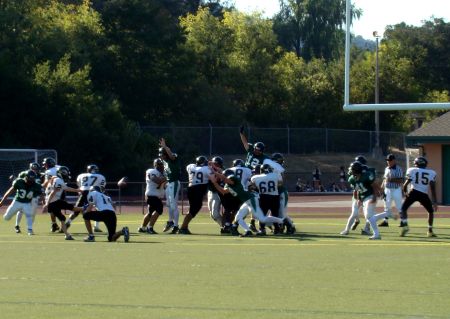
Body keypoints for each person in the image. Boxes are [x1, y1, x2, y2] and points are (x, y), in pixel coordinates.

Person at [209, 170, 290, 237]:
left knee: (262, 219)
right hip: (247, 201)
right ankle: (248, 231)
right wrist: (214, 183)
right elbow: (223, 192)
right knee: (238, 217)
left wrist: (214, 172)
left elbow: (225, 179)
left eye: (223, 176)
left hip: (251, 199)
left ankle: (283, 220)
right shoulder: (228, 184)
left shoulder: (233, 178)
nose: (223, 177)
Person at [398, 156, 438, 237]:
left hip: (413, 192)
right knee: (430, 211)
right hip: (424, 194)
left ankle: (405, 225)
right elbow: (433, 188)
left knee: (403, 209)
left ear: (417, 163)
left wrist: (405, 192)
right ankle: (430, 231)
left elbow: (406, 184)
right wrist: (435, 201)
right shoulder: (431, 173)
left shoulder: (412, 170)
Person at [340, 161, 381, 240]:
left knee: (368, 215)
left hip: (369, 195)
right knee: (360, 214)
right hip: (363, 197)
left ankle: (376, 234)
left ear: (356, 170)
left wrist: (375, 196)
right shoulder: (352, 179)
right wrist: (358, 200)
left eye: (352, 170)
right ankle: (347, 230)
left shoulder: (366, 176)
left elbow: (374, 185)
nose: (350, 171)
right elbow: (356, 190)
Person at [42, 166, 83, 240]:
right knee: (68, 213)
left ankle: (67, 235)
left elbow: (67, 188)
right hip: (54, 202)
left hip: (53, 201)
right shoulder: (58, 180)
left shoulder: (54, 179)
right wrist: (46, 204)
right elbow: (53, 192)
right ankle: (85, 208)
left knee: (65, 215)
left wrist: (78, 191)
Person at [65, 164, 106, 232]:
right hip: (94, 193)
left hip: (83, 192)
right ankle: (96, 226)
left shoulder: (81, 175)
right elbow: (102, 187)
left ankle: (68, 221)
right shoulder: (100, 176)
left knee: (77, 209)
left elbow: (79, 185)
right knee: (97, 208)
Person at [0, 170, 42, 235]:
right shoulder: (19, 182)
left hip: (27, 203)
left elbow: (41, 194)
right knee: (6, 218)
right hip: (17, 202)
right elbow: (9, 192)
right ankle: (14, 217)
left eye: (33, 179)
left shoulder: (36, 185)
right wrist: (2, 202)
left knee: (29, 215)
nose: (31, 181)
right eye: (30, 179)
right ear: (26, 177)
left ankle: (30, 230)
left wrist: (45, 202)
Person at [178, 156, 212, 234]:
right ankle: (183, 227)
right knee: (193, 210)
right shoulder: (206, 169)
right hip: (198, 189)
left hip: (190, 188)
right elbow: (212, 177)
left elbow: (193, 166)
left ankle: (184, 227)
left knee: (193, 209)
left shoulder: (190, 167)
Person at [137, 158, 167, 234]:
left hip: (154, 195)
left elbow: (163, 184)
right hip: (152, 195)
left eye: (162, 164)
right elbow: (157, 181)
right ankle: (150, 228)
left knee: (150, 212)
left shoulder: (162, 173)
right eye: (160, 164)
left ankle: (142, 228)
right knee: (159, 209)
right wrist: (166, 178)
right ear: (155, 165)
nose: (162, 166)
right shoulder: (152, 171)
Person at [158, 138, 181, 233]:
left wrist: (165, 147)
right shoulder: (164, 161)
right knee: (169, 205)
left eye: (162, 155)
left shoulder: (172, 158)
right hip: (169, 184)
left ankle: (176, 226)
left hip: (174, 183)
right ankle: (170, 222)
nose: (161, 157)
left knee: (174, 206)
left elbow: (171, 156)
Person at [250, 164, 280, 235]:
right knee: (275, 214)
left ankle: (262, 229)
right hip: (275, 196)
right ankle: (277, 229)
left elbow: (252, 186)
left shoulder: (255, 177)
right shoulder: (275, 175)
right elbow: (280, 183)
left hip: (263, 196)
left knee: (262, 214)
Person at [14, 162, 44, 233]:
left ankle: (30, 228)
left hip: (34, 196)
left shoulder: (40, 175)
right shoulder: (24, 174)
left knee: (33, 212)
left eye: (36, 169)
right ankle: (17, 225)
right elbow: (19, 182)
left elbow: (41, 185)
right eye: (33, 169)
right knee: (21, 210)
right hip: (25, 195)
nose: (35, 170)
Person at [376, 154, 404, 227]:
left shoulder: (398, 169)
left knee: (399, 206)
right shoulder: (386, 168)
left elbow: (401, 180)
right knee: (386, 206)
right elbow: (385, 179)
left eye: (390, 160)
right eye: (388, 160)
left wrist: (391, 179)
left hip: (396, 189)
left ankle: (403, 221)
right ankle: (385, 221)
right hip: (387, 189)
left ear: (394, 161)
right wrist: (381, 189)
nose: (388, 162)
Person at [41, 157, 61, 232]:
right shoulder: (59, 167)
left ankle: (54, 224)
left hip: (53, 190)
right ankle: (58, 225)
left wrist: (40, 186)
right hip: (62, 189)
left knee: (52, 208)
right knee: (59, 207)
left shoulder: (49, 171)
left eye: (45, 164)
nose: (44, 165)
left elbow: (47, 183)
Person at [207, 156, 224, 232]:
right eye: (214, 164)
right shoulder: (209, 169)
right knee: (212, 215)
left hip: (218, 193)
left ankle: (226, 227)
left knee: (215, 214)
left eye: (216, 164)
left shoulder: (221, 170)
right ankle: (223, 227)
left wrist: (213, 167)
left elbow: (221, 172)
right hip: (210, 192)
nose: (215, 165)